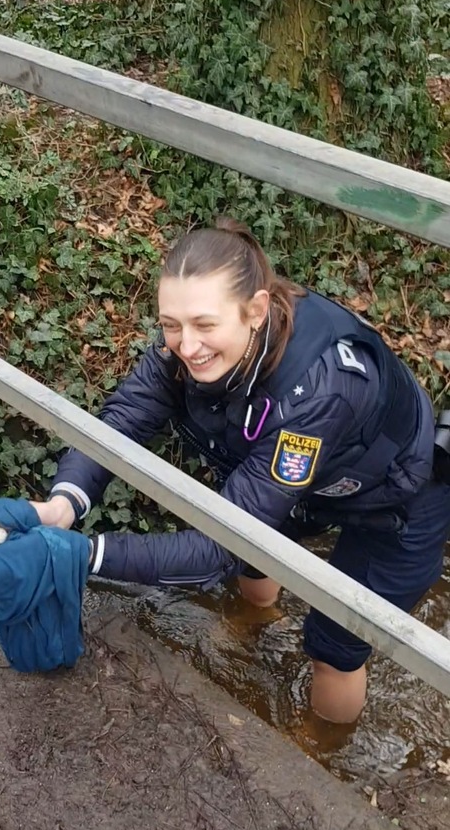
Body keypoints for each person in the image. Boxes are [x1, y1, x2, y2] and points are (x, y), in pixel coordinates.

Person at [32, 217, 450, 725]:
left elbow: (220, 545)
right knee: (256, 564)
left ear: (255, 311)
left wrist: (83, 554)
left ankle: (320, 752)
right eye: (171, 324)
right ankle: (254, 625)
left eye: (206, 325)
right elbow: (119, 423)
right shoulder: (181, 351)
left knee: (334, 643)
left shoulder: (317, 394)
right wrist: (63, 504)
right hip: (303, 480)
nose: (186, 346)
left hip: (395, 497)